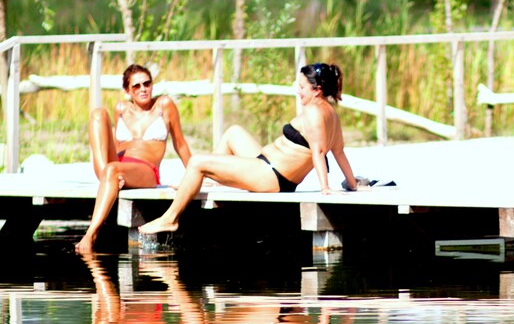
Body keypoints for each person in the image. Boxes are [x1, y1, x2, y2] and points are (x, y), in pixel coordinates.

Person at [137, 62, 360, 235]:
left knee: (198, 162)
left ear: (317, 90)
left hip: (270, 175)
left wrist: (324, 188)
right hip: (267, 165)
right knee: (233, 132)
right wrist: (352, 183)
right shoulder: (331, 114)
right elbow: (338, 151)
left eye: (302, 87)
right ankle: (205, 181)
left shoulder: (313, 113)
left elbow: (319, 152)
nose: (297, 91)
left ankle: (171, 218)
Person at [76, 64, 192, 254]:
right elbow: (113, 143)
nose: (143, 89)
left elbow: (180, 143)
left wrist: (194, 174)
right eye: (136, 86)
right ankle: (109, 176)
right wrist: (112, 167)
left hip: (145, 171)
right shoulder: (121, 108)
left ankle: (91, 233)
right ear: (127, 90)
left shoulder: (164, 105)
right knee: (98, 114)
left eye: (147, 83)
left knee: (113, 170)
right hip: (116, 165)